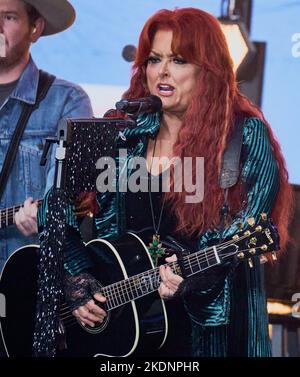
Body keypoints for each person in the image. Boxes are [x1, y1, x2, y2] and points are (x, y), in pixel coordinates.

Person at [38, 7, 293, 357]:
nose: (163, 72)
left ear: (210, 70)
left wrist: (192, 273)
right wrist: (79, 280)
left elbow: (251, 226)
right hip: (125, 331)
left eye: (179, 60)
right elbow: (55, 205)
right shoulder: (120, 132)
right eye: (154, 59)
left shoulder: (242, 136)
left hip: (209, 331)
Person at [0, 0, 93, 273]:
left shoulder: (68, 100)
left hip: (27, 281)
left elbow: (72, 193)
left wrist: (47, 212)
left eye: (8, 17)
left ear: (35, 28)